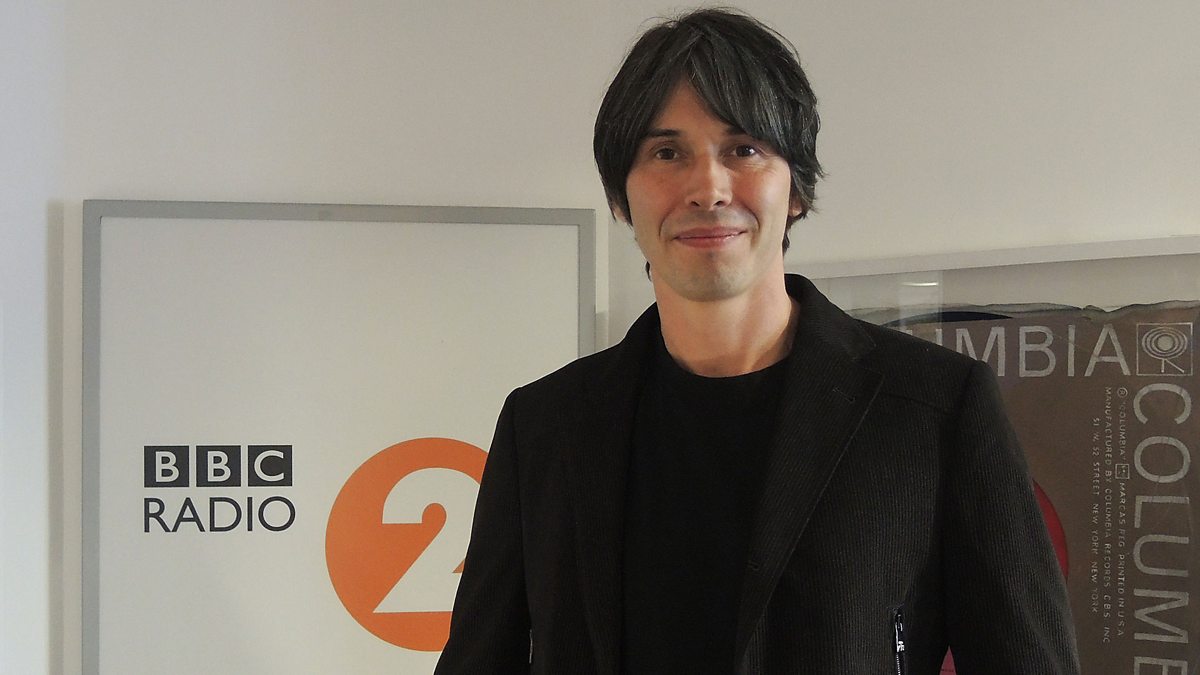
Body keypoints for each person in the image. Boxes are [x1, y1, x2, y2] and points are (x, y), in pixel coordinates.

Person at [436, 8, 1079, 674]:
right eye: (666, 153)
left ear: (796, 188)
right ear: (622, 198)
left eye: (743, 149)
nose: (708, 188)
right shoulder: (545, 426)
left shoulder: (935, 407)